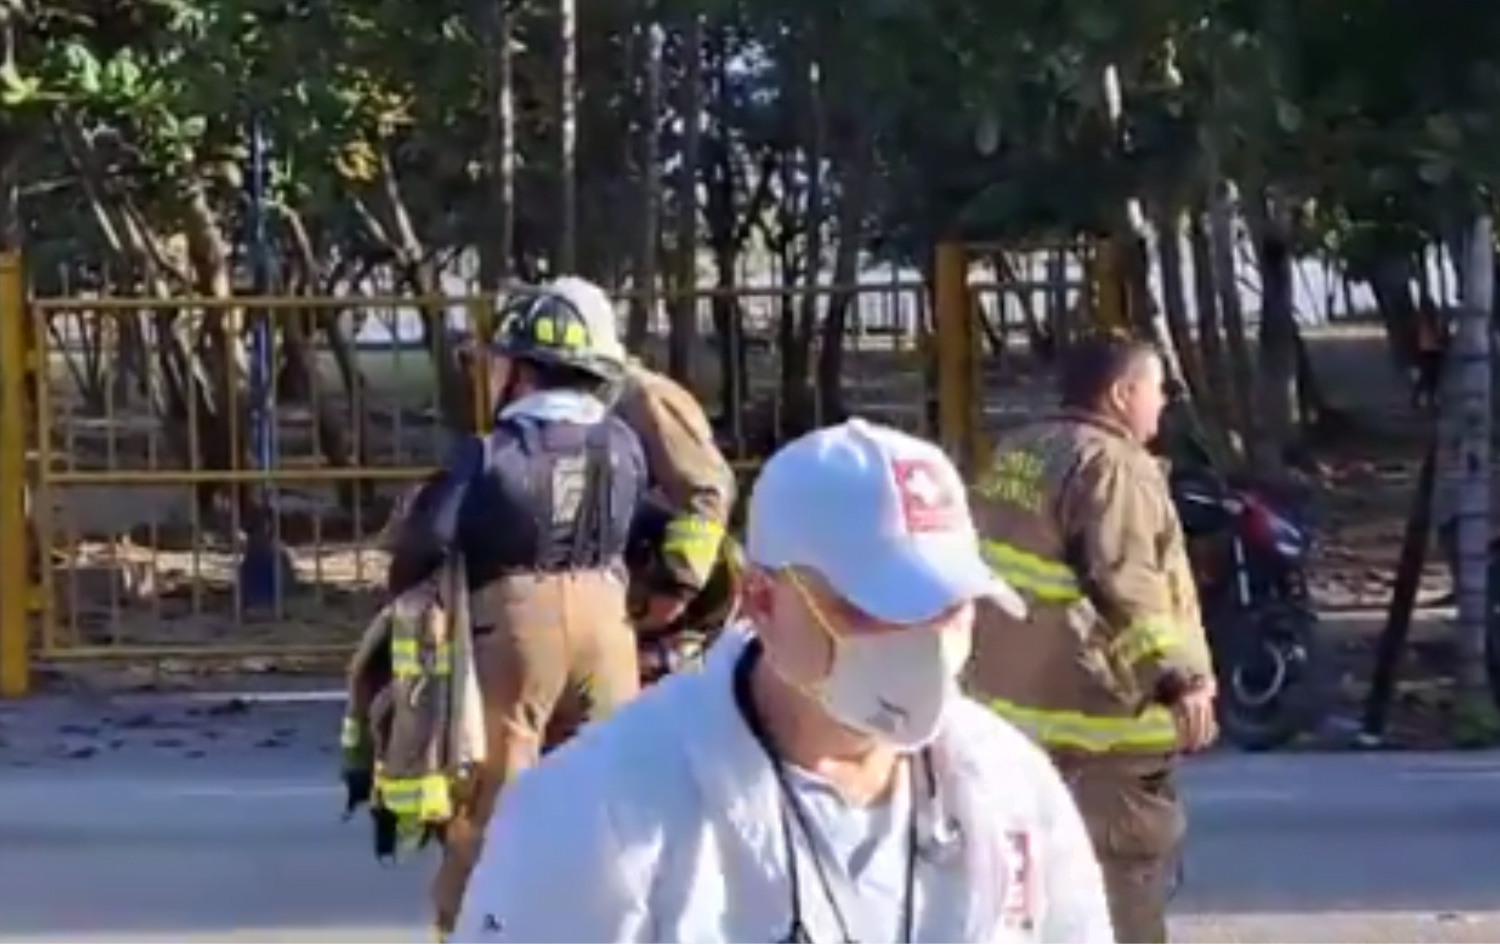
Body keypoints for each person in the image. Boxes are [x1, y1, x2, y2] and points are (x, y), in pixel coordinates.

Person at [450, 418, 1115, 944]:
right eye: (876, 606)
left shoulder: (1011, 788)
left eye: (949, 606)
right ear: (762, 601)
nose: (925, 639)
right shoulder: (597, 810)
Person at [385, 277, 650, 939]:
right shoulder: (623, 445)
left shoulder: (489, 451)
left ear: (525, 370)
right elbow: (648, 527)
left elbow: (426, 541)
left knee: (494, 809)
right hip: (611, 633)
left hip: (513, 632)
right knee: (608, 806)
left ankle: (476, 927)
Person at [967, 333, 1217, 943]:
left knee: (1028, 886)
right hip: (1103, 720)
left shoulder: (1020, 451)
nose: (1162, 404)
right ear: (1121, 393)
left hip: (1017, 712)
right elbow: (1129, 583)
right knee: (1122, 880)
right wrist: (1180, 679)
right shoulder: (1114, 467)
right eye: (1158, 389)